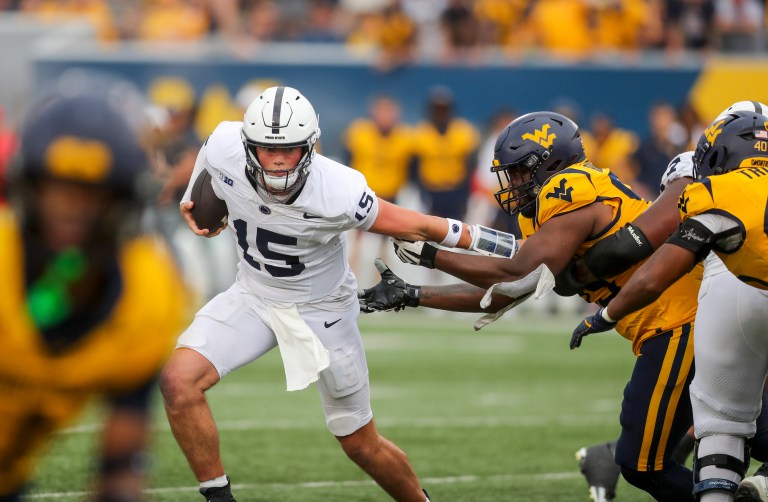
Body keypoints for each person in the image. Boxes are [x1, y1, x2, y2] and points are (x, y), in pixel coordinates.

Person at [161, 86, 486, 502]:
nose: (278, 160)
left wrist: (486, 240)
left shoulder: (340, 190)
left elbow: (417, 224)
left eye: (290, 150)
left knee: (359, 443)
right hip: (254, 294)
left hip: (323, 309)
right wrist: (194, 199)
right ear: (247, 145)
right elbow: (206, 169)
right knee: (177, 382)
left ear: (310, 147)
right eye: (266, 149)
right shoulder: (225, 143)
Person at [360, 111, 706, 501]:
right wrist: (414, 293)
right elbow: (511, 292)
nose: (514, 183)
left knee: (642, 464)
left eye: (521, 171)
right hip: (668, 325)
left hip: (677, 321)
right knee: (740, 431)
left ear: (550, 162)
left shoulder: (571, 186)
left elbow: (514, 272)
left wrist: (432, 256)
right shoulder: (548, 204)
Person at [567, 100, 768, 502]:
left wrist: (604, 313)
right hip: (735, 296)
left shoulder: (713, 189)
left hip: (735, 296)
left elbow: (655, 266)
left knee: (723, 426)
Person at [0, 94, 187, 500]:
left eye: (92, 194)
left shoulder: (146, 294)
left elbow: (118, 474)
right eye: (56, 189)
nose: (70, 209)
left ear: (124, 199)